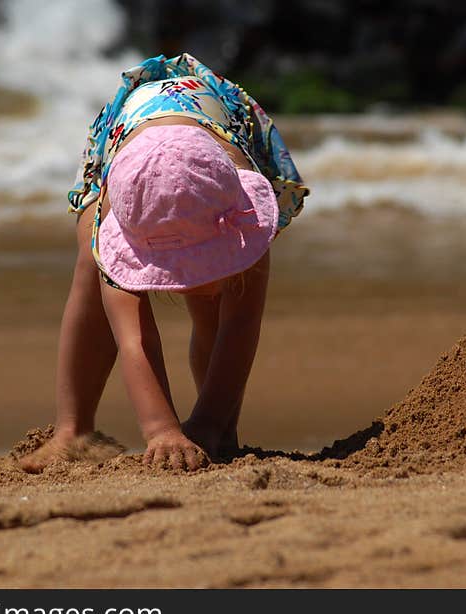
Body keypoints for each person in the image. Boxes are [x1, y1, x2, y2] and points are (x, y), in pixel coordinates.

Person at [19, 53, 308, 473]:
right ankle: (73, 430)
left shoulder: (242, 214)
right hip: (126, 135)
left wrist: (206, 423)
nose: (189, 278)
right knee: (91, 266)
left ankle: (221, 430)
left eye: (201, 264)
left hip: (216, 127)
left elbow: (240, 325)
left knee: (218, 308)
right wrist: (161, 430)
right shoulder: (119, 216)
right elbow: (137, 339)